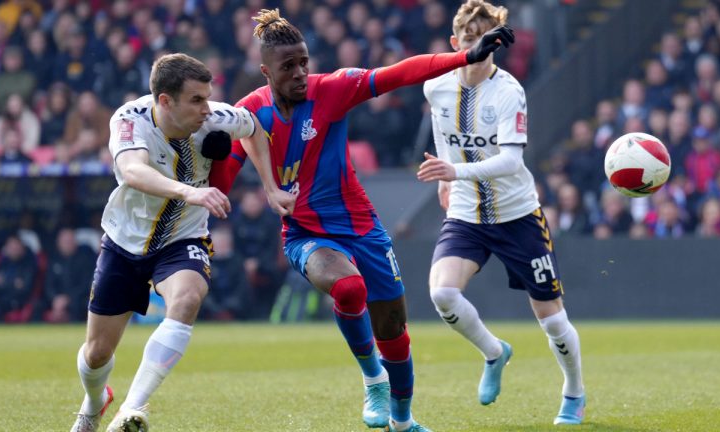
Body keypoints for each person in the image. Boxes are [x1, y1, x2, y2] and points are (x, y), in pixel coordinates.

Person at [208, 8, 513, 432]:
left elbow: (399, 73)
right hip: (306, 234)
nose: (299, 73)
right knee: (349, 289)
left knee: (394, 330)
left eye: (304, 63)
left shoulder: (331, 90)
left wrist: (465, 57)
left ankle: (403, 422)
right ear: (265, 71)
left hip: (364, 227)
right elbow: (221, 180)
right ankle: (373, 379)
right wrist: (210, 165)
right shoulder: (248, 114)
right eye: (287, 67)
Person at [69, 53, 295, 432]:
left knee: (187, 298)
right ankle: (95, 401)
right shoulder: (129, 120)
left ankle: (131, 409)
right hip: (125, 241)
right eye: (196, 100)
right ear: (164, 102)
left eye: (207, 97)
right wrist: (188, 192)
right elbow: (132, 170)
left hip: (183, 238)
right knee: (96, 354)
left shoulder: (216, 117)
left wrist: (271, 188)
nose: (207, 109)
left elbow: (255, 129)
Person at [416, 1, 585, 425]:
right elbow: (442, 132)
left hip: (517, 215)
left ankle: (574, 392)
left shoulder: (509, 91)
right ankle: (494, 352)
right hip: (466, 214)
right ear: (455, 44)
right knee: (442, 293)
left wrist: (453, 170)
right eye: (470, 41)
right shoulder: (435, 85)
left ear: (496, 46)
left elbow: (511, 161)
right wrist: (444, 178)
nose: (478, 49)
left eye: (486, 42)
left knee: (552, 320)